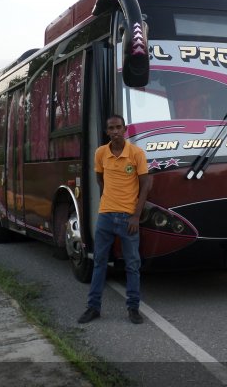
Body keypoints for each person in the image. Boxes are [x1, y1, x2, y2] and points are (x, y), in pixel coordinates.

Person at [78, 114, 150, 324]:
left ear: (125, 129)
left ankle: (133, 308)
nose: (115, 131)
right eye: (111, 128)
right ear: (107, 131)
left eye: (119, 127)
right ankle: (93, 308)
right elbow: (100, 179)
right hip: (106, 216)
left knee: (132, 264)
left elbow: (145, 185)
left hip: (129, 218)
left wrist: (136, 215)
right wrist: (107, 201)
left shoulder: (136, 154)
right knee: (99, 262)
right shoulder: (100, 153)